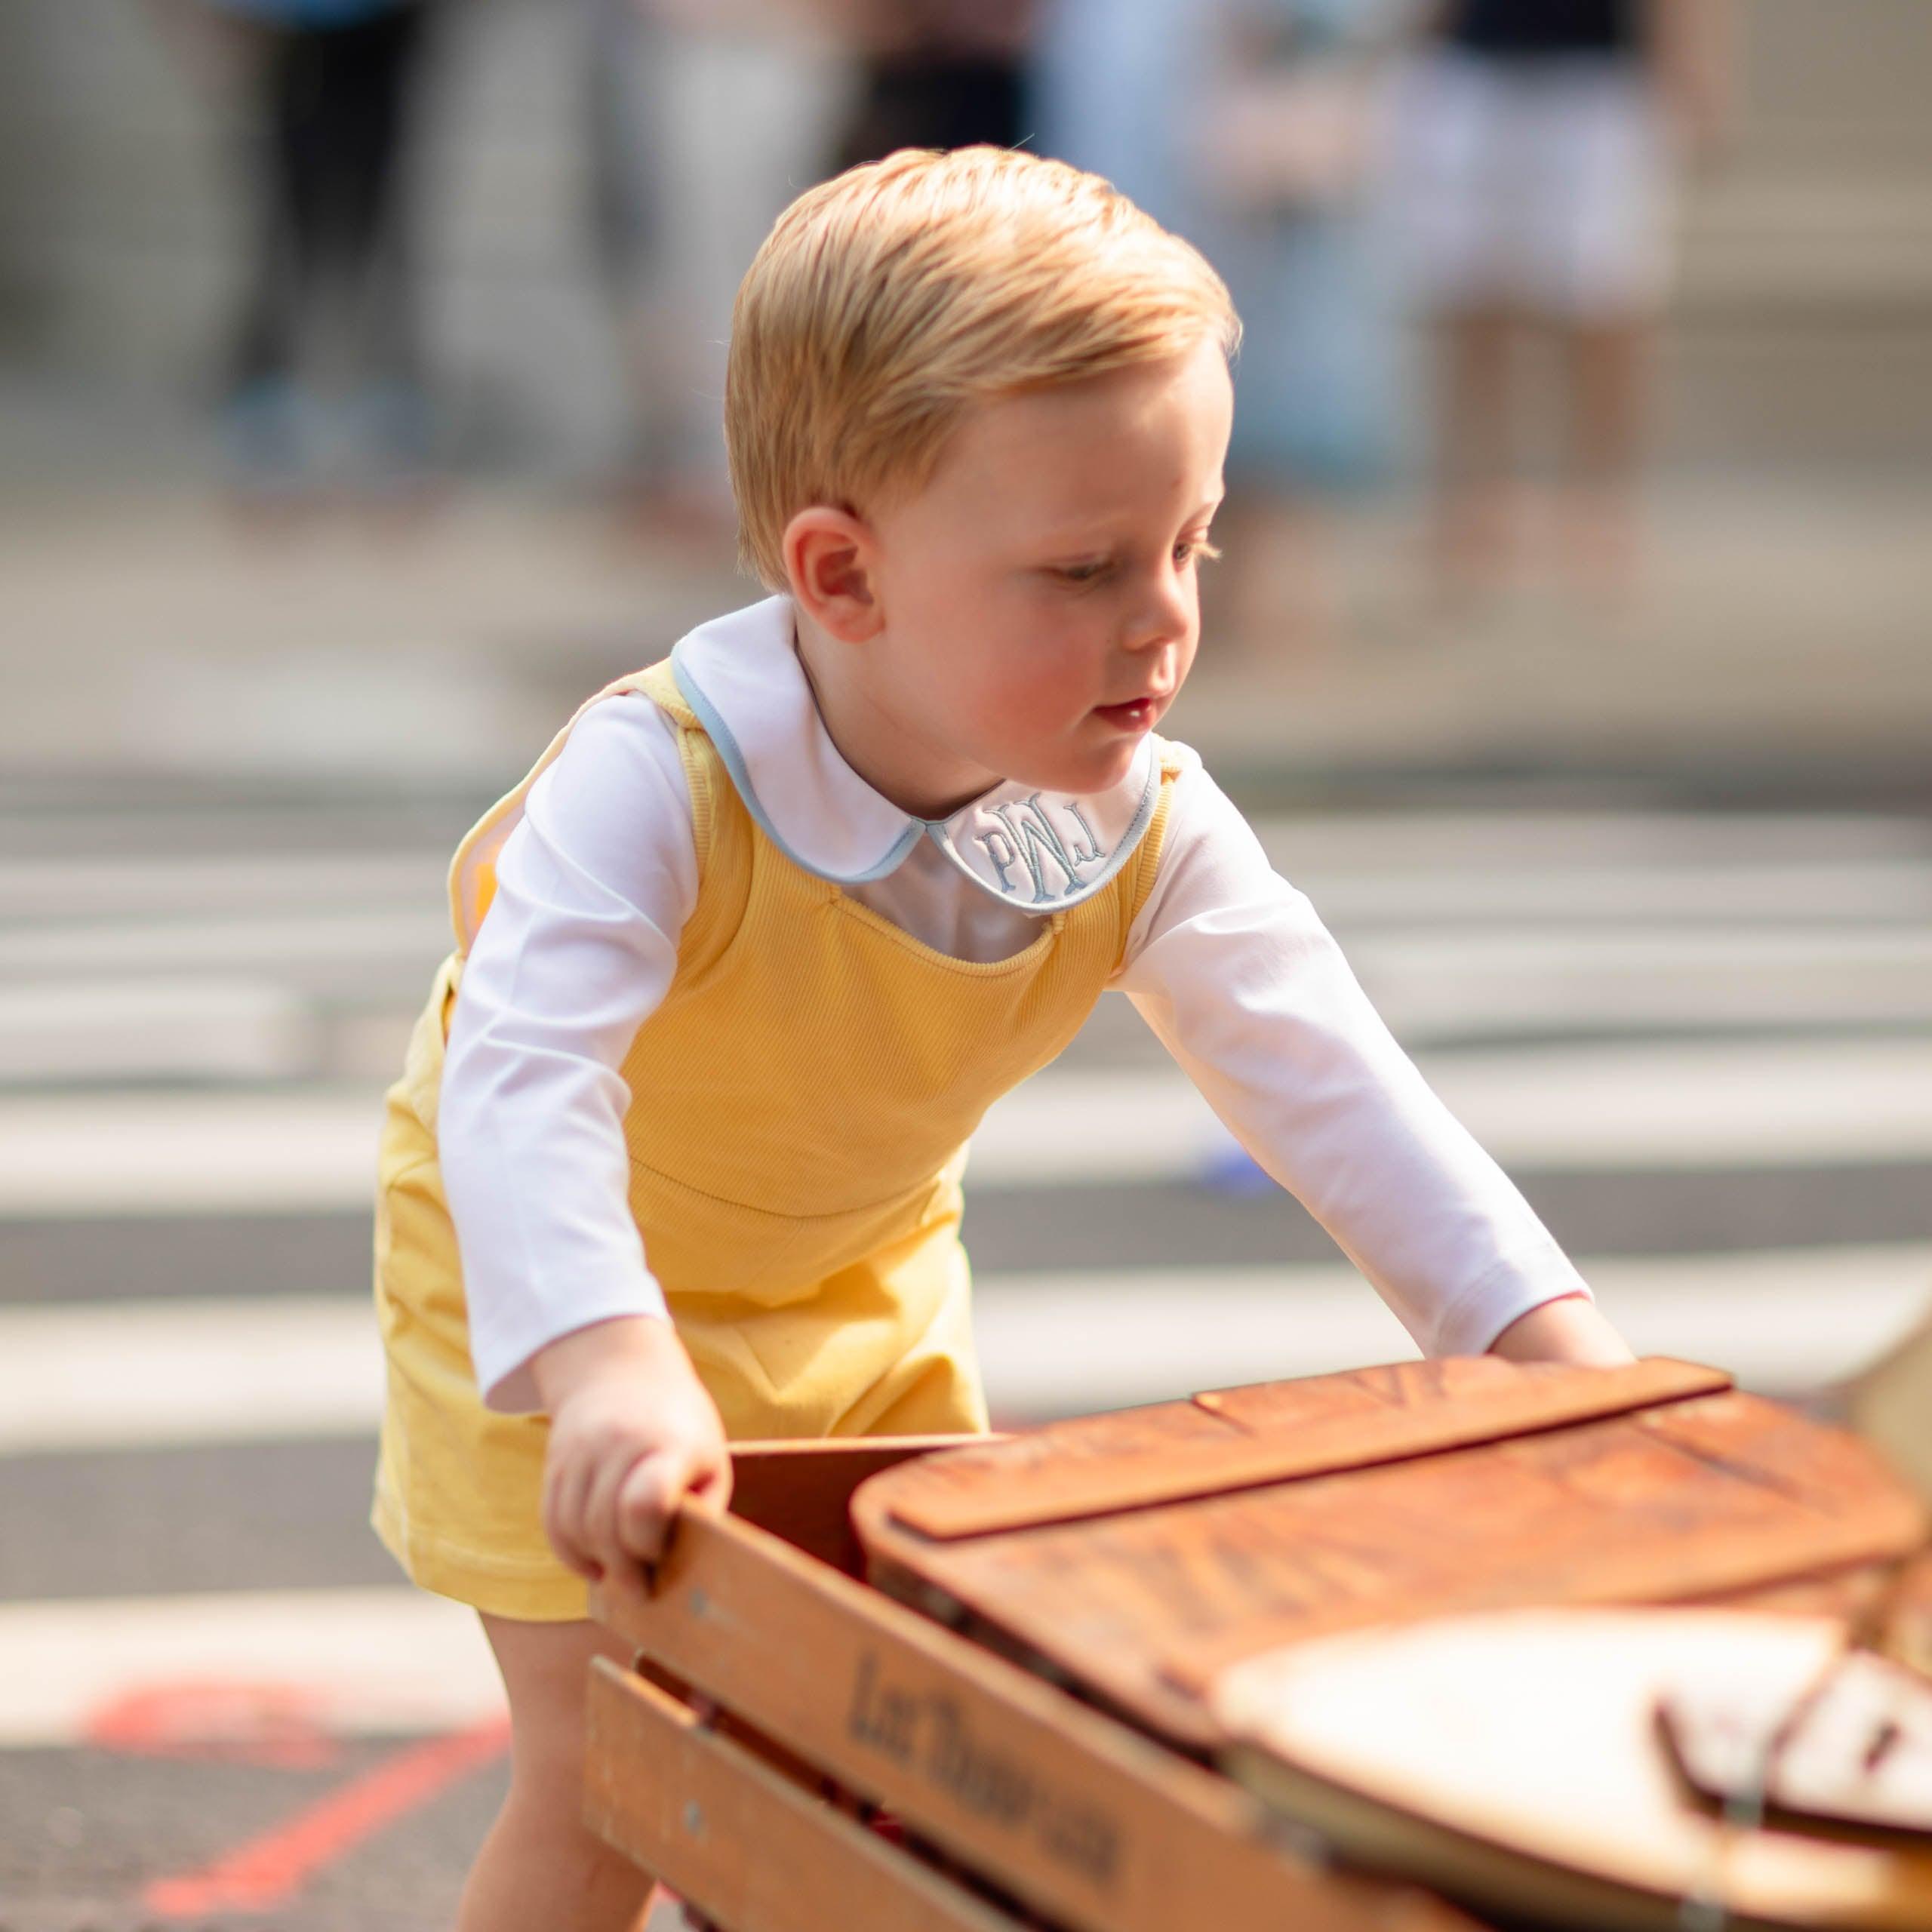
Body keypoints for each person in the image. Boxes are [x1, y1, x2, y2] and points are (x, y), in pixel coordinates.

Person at [370, 147, 1632, 1932]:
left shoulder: (1131, 818)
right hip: (553, 1283)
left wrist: (1544, 1348)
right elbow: (519, 1082)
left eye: (1190, 541)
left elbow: (1337, 1091)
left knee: (858, 1764)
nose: (1162, 616)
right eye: (1081, 564)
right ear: (839, 572)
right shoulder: (657, 778)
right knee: (611, 1780)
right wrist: (605, 1361)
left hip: (861, 1287)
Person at [1390, 0, 1733, 602]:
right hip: (1471, 60)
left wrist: (1693, 52)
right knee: (1472, 294)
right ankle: (1478, 496)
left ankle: (1599, 500)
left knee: (1608, 302)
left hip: (1601, 71)